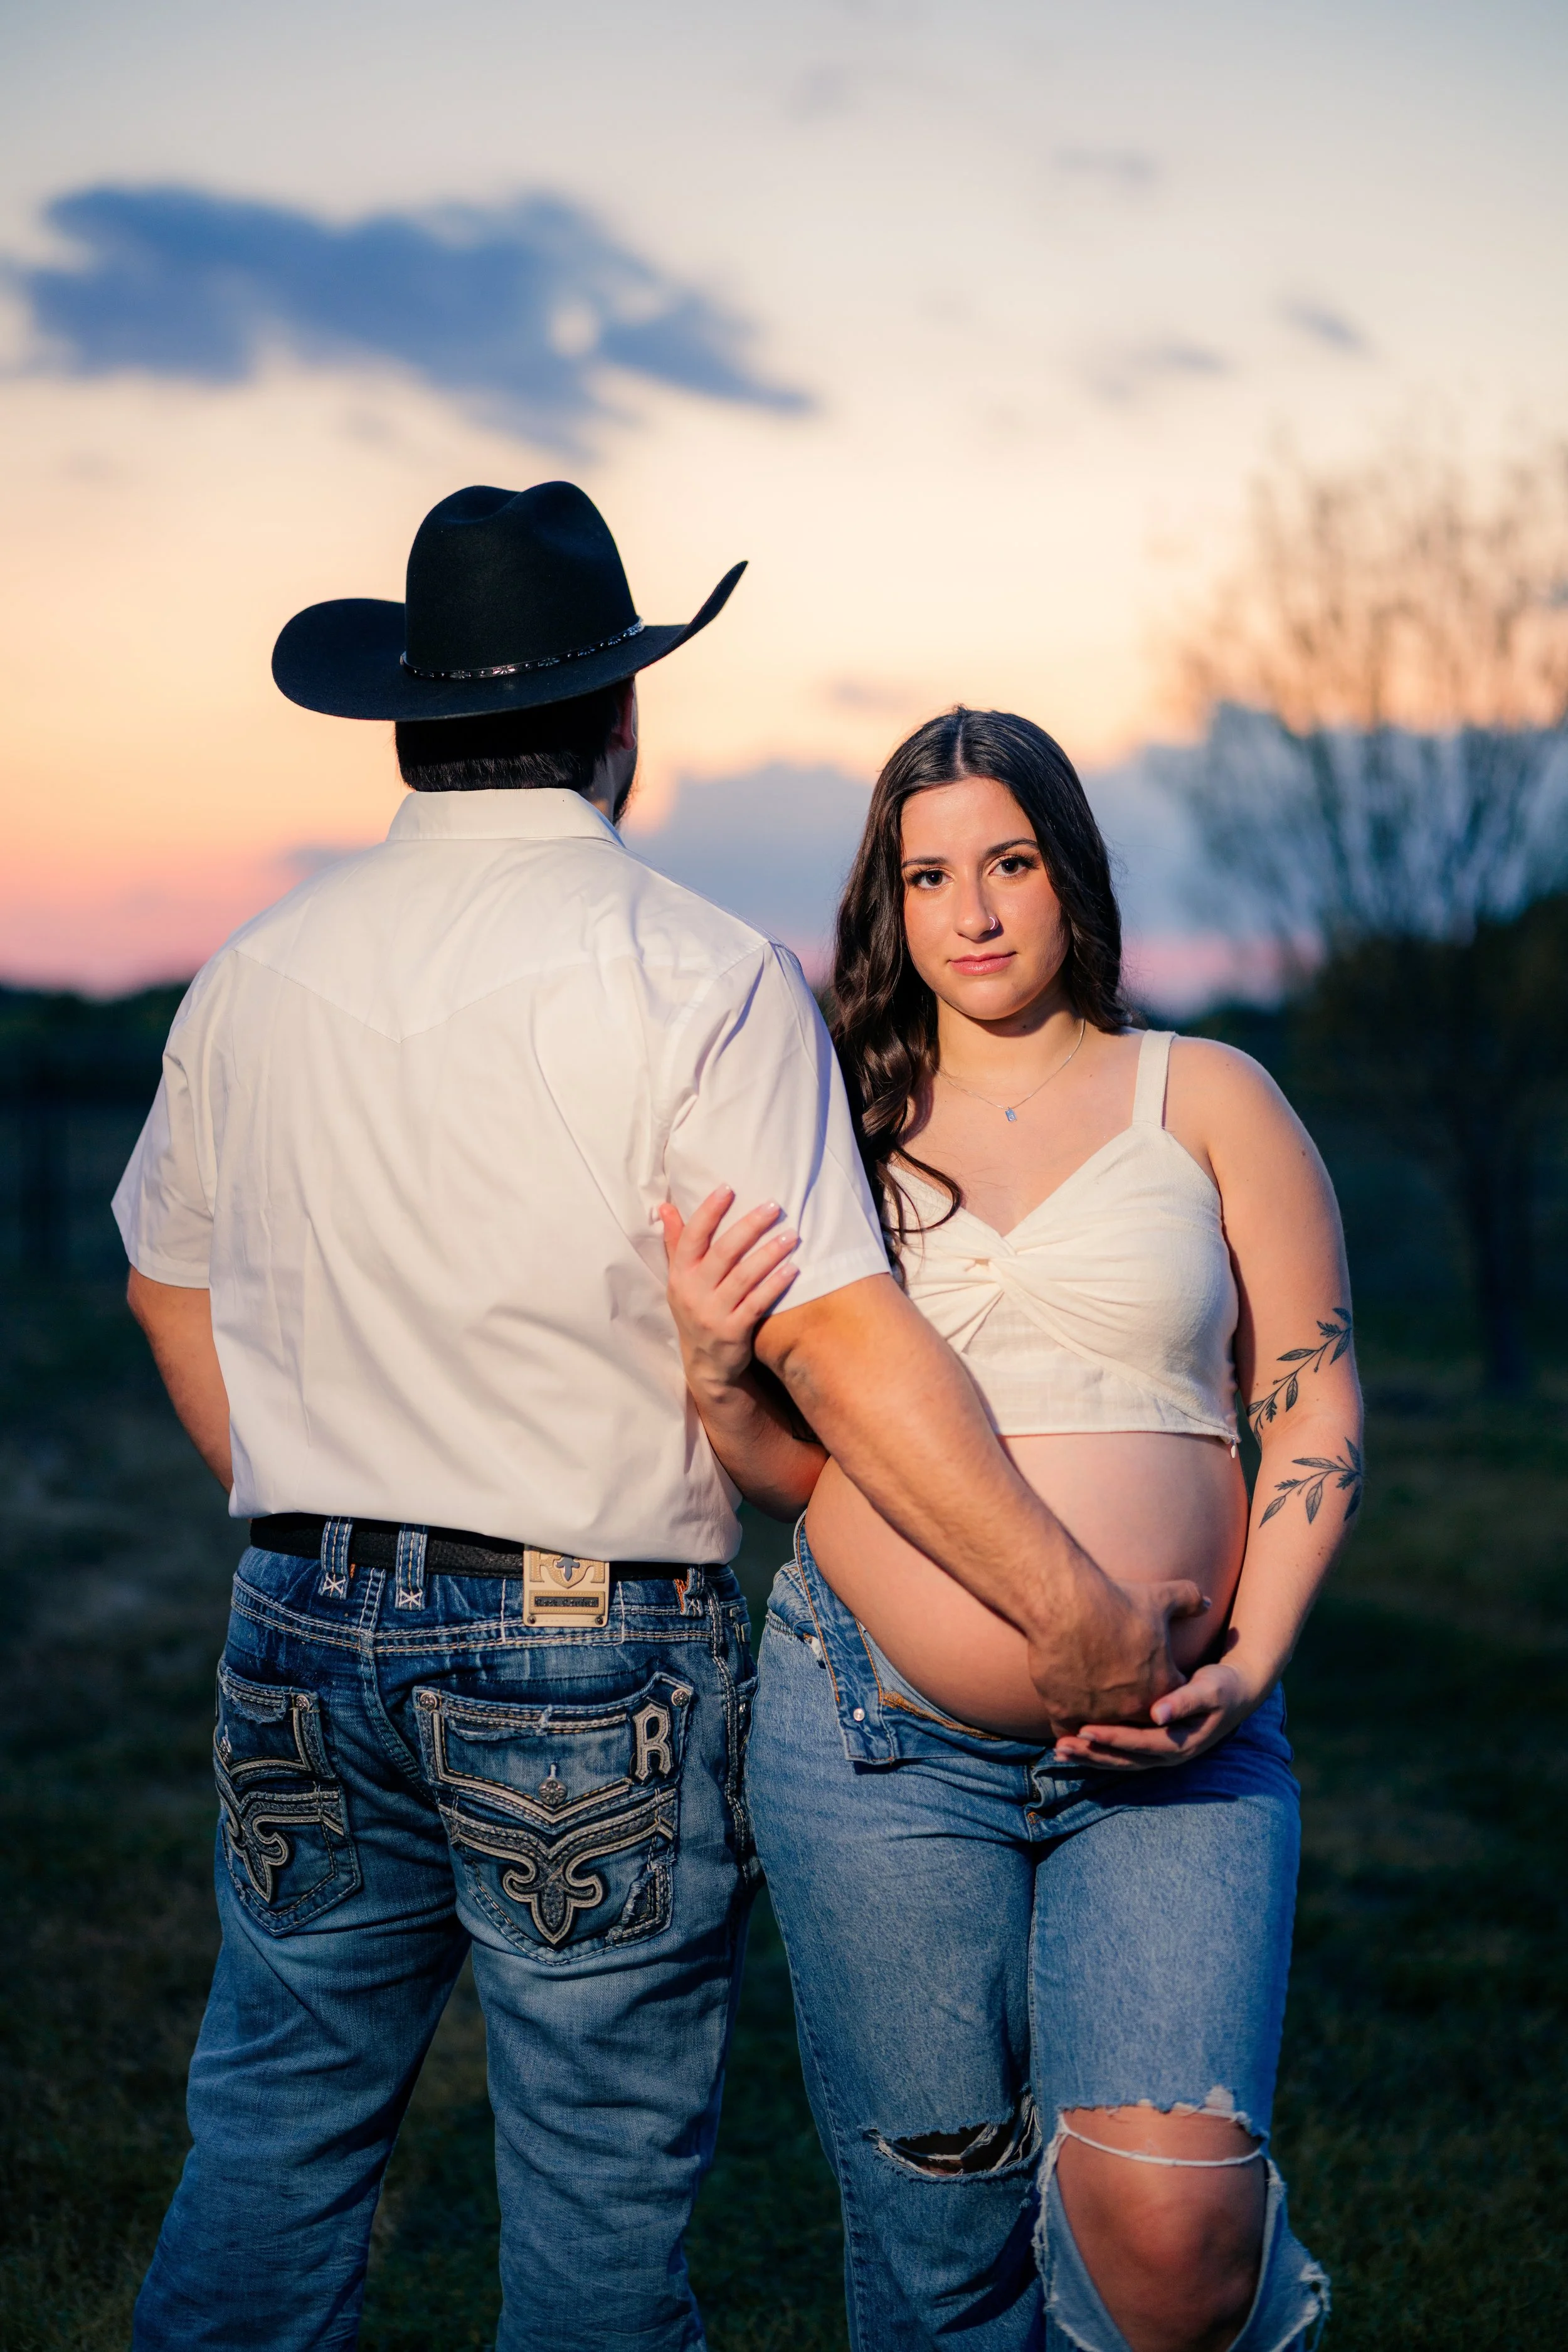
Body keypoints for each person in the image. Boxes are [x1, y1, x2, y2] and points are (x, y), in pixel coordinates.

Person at [113, 493, 1195, 2351]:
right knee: (599, 2191)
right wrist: (1069, 1609)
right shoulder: (689, 973)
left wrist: (311, 1497)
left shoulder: (256, 972)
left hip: (298, 1617)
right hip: (580, 1641)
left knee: (275, 2129)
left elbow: (163, 1280)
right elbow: (846, 1344)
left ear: (405, 727)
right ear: (623, 726)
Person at [660, 707, 1358, 2352]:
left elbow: (1309, 1403)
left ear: (1070, 876)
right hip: (873, 1738)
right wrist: (707, 1358)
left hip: (1179, 1729)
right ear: (886, 907)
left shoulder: (1206, 1094)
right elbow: (791, 1467)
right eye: (926, 875)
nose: (970, 911)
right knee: (934, 2232)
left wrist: (1250, 1660)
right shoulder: (831, 1123)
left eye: (1007, 863)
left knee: (1171, 2227)